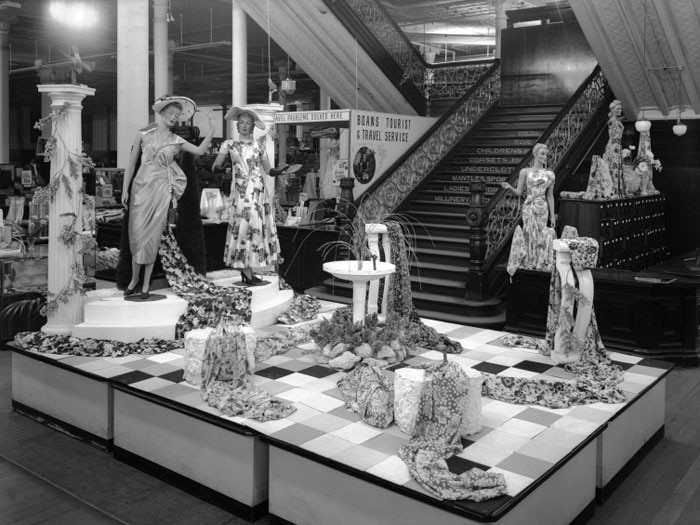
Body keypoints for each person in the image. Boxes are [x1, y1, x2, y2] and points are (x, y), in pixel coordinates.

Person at [121, 95, 215, 299]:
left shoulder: (177, 140)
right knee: (136, 236)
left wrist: (211, 131)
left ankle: (145, 284)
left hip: (161, 189)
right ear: (161, 112)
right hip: (140, 188)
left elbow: (200, 150)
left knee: (153, 236)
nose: (174, 118)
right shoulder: (143, 134)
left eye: (177, 115)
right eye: (171, 113)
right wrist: (125, 189)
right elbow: (130, 164)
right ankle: (133, 279)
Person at [212, 107, 287, 285]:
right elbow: (216, 165)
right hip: (241, 191)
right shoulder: (229, 144)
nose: (244, 126)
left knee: (256, 227)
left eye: (248, 123)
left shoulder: (258, 146)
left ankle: (249, 271)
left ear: (253, 127)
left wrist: (281, 170)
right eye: (241, 123)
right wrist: (222, 168)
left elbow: (269, 170)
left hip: (258, 191)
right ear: (237, 126)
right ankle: (245, 270)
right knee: (245, 226)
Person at [500, 142, 556, 276]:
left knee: (541, 233)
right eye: (542, 154)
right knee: (528, 232)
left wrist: (552, 216)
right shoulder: (525, 171)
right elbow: (519, 192)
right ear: (535, 154)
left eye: (546, 155)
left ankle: (539, 261)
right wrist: (509, 188)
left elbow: (550, 196)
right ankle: (529, 261)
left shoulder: (550, 174)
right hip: (529, 207)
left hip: (542, 206)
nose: (545, 157)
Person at [603, 99, 624, 197]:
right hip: (613, 146)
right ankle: (613, 190)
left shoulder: (617, 120)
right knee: (613, 167)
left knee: (617, 167)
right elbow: (613, 135)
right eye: (618, 108)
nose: (620, 110)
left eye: (620, 108)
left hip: (617, 146)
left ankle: (617, 189)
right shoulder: (612, 121)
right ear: (612, 110)